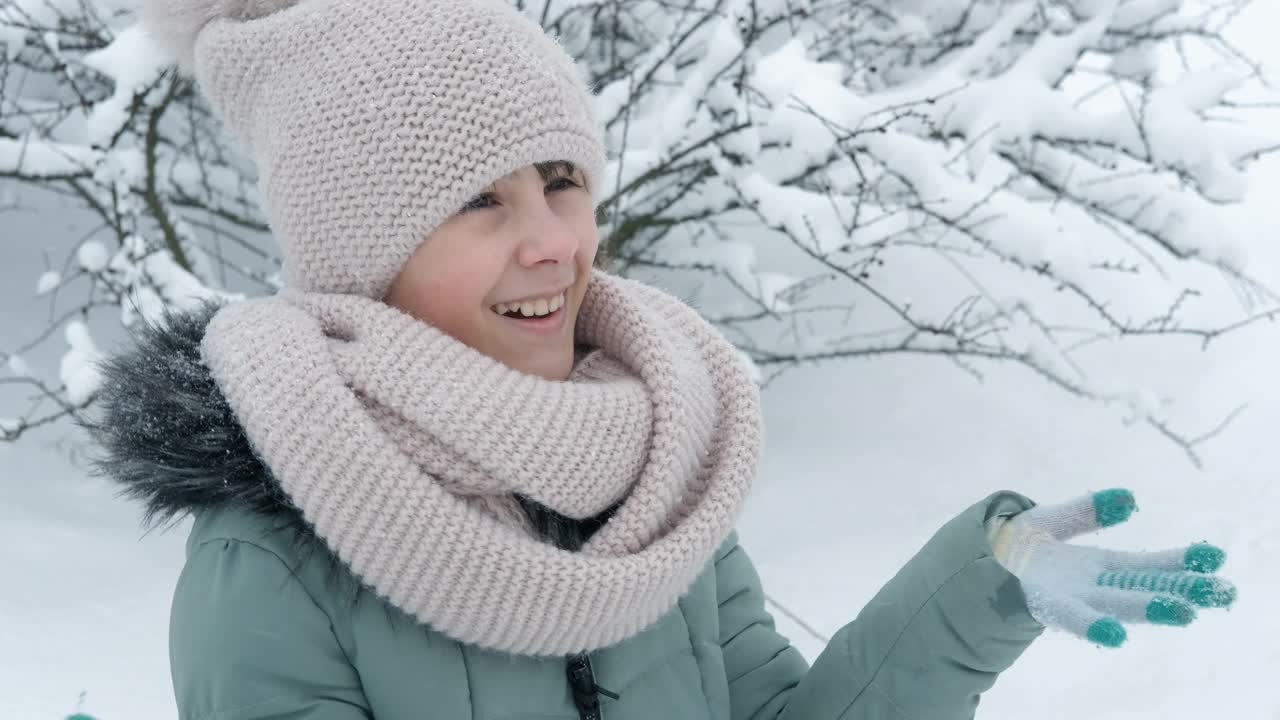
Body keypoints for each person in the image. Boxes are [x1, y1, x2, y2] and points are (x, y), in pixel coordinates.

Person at [86, 0, 1237, 718]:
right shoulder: (276, 557)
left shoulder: (651, 467)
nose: (550, 241)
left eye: (560, 182)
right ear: (364, 257)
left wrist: (976, 590)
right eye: (477, 203)